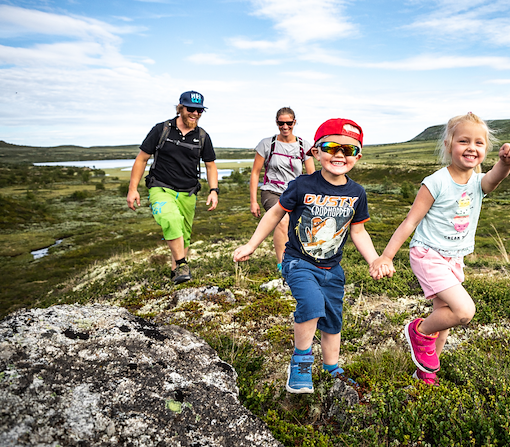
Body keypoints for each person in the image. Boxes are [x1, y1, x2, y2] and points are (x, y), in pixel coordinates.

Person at [233, 118, 393, 394]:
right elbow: (274, 214)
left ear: (358, 156)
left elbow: (358, 232)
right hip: (298, 261)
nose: (339, 155)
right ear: (316, 152)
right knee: (311, 304)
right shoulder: (301, 184)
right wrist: (251, 245)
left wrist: (375, 259)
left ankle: (332, 368)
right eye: (331, 147)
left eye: (349, 150)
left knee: (333, 319)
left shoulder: (357, 193)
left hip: (332, 269)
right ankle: (301, 362)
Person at [369, 113, 510, 385]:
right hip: (428, 254)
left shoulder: (479, 182)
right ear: (448, 144)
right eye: (463, 140)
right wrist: (386, 256)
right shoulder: (436, 182)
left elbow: (495, 178)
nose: (471, 147)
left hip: (453, 258)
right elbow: (410, 221)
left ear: (485, 150)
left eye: (478, 143)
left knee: (445, 319)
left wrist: (505, 163)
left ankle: (425, 373)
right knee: (464, 312)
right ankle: (418, 331)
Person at [127, 91, 219, 285]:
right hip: (160, 186)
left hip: (188, 191)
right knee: (170, 219)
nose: (195, 113)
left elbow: (210, 165)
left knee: (183, 236)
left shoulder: (202, 136)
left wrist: (213, 190)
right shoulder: (162, 130)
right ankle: (182, 263)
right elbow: (142, 158)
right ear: (180, 108)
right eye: (191, 109)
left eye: (199, 110)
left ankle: (176, 275)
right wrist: (132, 189)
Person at [249, 107, 315, 272]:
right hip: (271, 191)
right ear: (276, 123)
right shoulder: (267, 144)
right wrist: (253, 201)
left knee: (297, 227)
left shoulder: (303, 145)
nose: (285, 127)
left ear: (294, 122)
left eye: (288, 123)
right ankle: (282, 266)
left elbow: (312, 175)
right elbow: (255, 173)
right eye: (281, 123)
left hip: (295, 193)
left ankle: (299, 260)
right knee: (282, 220)